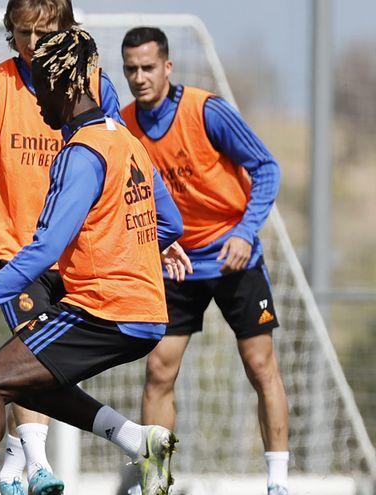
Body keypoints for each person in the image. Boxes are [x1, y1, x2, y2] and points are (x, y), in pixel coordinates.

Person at [0, 27, 188, 495]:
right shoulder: (128, 140)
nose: (37, 100)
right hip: (144, 311)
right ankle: (138, 440)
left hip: (104, 309)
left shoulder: (80, 154)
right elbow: (170, 223)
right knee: (25, 382)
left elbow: (45, 250)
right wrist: (124, 247)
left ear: (65, 86)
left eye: (43, 86)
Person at [0, 2, 125, 493]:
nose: (34, 45)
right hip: (18, 253)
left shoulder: (97, 88)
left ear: (66, 32)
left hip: (83, 258)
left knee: (41, 365)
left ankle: (14, 465)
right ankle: (40, 465)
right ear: (10, 32)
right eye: (24, 34)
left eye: (45, 34)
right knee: (31, 344)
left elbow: (123, 163)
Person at [119, 26, 288, 495]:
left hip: (235, 258)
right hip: (177, 264)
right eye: (131, 69)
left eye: (148, 67)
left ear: (167, 67)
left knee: (260, 365)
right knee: (158, 369)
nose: (139, 77)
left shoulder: (206, 111)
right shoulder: (125, 123)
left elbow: (267, 167)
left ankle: (277, 483)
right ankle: (155, 483)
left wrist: (244, 231)